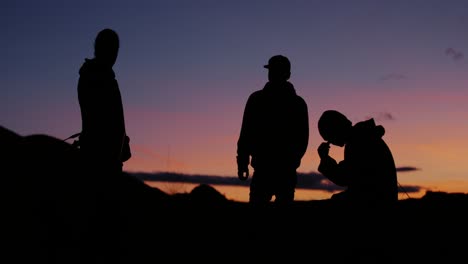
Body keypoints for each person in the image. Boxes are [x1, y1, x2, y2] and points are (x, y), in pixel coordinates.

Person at [236, 55, 309, 206]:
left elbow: (302, 138)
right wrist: (242, 161)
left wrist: (243, 161)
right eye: (272, 70)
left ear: (287, 74)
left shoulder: (259, 99)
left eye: (276, 70)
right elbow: (246, 132)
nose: (273, 74)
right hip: (269, 169)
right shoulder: (296, 103)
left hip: (278, 170)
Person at [316, 110, 398, 209]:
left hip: (376, 200)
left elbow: (344, 177)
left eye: (329, 137)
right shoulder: (361, 136)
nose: (330, 142)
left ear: (336, 129)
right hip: (381, 196)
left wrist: (325, 159)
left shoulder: (358, 141)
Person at [77, 28, 131, 177]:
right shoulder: (96, 76)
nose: (114, 54)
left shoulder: (98, 75)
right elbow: (103, 118)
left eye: (116, 49)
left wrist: (123, 142)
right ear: (99, 48)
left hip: (108, 156)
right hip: (102, 159)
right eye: (111, 48)